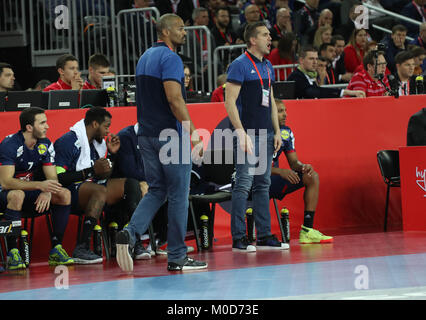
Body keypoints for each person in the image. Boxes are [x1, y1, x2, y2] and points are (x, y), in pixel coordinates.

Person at [115, 13, 207, 272]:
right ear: (165, 32)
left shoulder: (145, 57)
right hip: (170, 136)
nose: (185, 33)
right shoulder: (171, 58)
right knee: (178, 194)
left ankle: (129, 234)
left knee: (157, 190)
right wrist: (192, 132)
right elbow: (174, 99)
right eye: (181, 28)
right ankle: (177, 256)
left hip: (146, 135)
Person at [225, 21, 289, 252]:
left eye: (269, 34)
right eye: (264, 34)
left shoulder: (269, 66)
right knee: (243, 184)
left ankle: (263, 235)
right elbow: (229, 101)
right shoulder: (239, 65)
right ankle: (239, 238)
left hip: (265, 133)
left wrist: (276, 131)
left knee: (263, 184)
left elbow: (270, 100)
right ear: (253, 40)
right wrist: (240, 132)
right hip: (248, 134)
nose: (269, 38)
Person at [54, 107, 143, 264]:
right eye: (106, 126)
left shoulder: (98, 144)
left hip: (93, 187)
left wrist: (112, 154)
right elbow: (59, 178)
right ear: (95, 124)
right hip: (70, 191)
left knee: (131, 184)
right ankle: (81, 247)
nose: (108, 131)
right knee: (100, 191)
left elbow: (104, 174)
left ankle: (135, 242)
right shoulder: (67, 142)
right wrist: (89, 172)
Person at [0, 107, 74, 269]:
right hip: (5, 195)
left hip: (30, 192)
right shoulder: (10, 144)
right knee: (17, 194)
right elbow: (6, 182)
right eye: (42, 123)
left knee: (64, 194)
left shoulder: (45, 144)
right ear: (29, 127)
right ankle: (13, 252)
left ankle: (56, 248)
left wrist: (47, 191)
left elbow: (52, 177)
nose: (47, 126)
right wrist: (40, 185)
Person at [270, 99, 333, 244]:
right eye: (280, 111)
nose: (285, 114)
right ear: (270, 114)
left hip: (273, 180)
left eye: (285, 110)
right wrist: (280, 171)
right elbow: (254, 168)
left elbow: (293, 163)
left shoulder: (286, 132)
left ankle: (307, 230)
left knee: (311, 176)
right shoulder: (260, 132)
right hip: (256, 182)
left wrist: (303, 166)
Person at [287, 45, 365, 99]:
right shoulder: (296, 77)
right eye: (311, 59)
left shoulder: (310, 75)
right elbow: (314, 92)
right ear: (301, 60)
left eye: (316, 59)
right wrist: (345, 92)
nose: (315, 62)